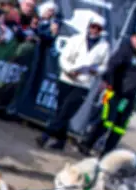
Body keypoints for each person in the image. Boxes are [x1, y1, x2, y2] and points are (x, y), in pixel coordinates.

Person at [36, 14, 109, 150]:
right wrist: (70, 70)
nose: (94, 30)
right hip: (67, 78)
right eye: (93, 27)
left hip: (83, 83)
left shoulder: (104, 47)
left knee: (67, 110)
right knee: (61, 110)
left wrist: (96, 71)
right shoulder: (76, 39)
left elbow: (104, 66)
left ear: (101, 30)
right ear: (89, 26)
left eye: (98, 29)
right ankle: (61, 140)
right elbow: (64, 57)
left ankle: (46, 135)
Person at [77, 28, 136, 157]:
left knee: (119, 127)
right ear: (133, 38)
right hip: (116, 92)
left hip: (129, 98)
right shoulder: (125, 50)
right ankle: (87, 143)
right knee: (107, 121)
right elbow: (111, 67)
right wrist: (109, 83)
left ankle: (106, 153)